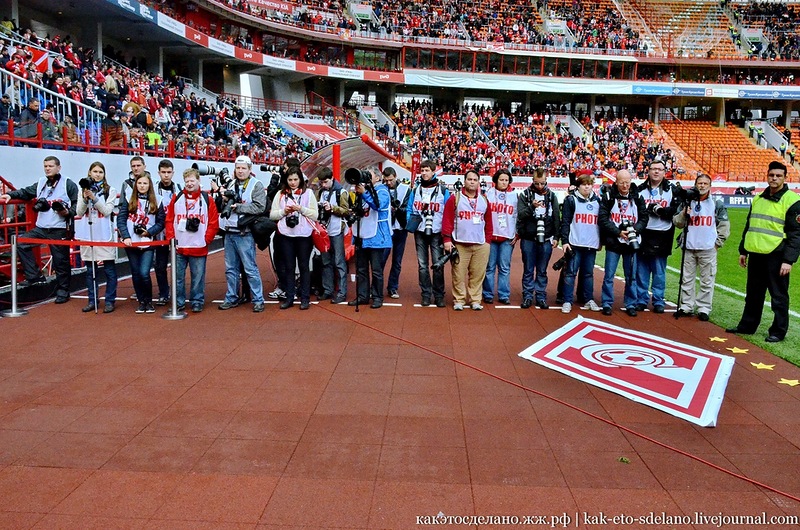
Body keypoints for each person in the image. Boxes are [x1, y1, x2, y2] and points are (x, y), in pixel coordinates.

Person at [727, 161, 800, 342]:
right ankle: (747, 326)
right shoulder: (758, 198)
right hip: (756, 254)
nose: (774, 178)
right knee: (753, 294)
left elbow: (796, 234)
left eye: (778, 176)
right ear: (767, 176)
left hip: (777, 255)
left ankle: (777, 331)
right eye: (771, 175)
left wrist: (788, 260)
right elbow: (750, 225)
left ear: (785, 178)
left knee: (778, 297)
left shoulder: (792, 201)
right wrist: (743, 250)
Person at [0, 156, 78, 303]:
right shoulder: (41, 183)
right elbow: (25, 192)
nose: (47, 168)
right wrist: (10, 194)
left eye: (50, 166)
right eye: (45, 166)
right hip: (41, 228)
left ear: (58, 167)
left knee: (61, 262)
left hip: (59, 229)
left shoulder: (68, 184)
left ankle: (63, 291)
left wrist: (67, 212)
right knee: (21, 244)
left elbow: (77, 205)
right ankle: (34, 276)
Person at [673, 173, 730, 321]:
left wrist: (717, 244)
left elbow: (724, 226)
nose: (702, 186)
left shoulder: (716, 203)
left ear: (710, 186)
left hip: (708, 248)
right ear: (695, 184)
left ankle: (704, 308)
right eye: (700, 183)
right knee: (686, 279)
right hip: (689, 246)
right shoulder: (687, 201)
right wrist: (684, 214)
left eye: (705, 184)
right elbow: (677, 223)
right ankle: (686, 306)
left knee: (707, 280)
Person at [165, 167, 219, 313]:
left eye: (192, 180)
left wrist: (206, 239)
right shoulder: (177, 198)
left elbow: (214, 222)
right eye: (187, 181)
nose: (189, 183)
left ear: (198, 181)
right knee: (178, 277)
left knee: (198, 277)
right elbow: (169, 220)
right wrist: (171, 239)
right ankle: (179, 302)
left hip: (199, 245)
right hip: (180, 245)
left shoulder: (207, 199)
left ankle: (197, 300)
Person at [219, 155, 266, 312]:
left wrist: (237, 207)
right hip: (229, 232)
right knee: (230, 269)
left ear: (250, 169)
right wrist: (223, 199)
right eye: (238, 168)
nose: (240, 171)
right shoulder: (230, 184)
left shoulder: (256, 185)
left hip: (244, 233)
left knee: (250, 268)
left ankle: (258, 299)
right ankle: (231, 297)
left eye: (243, 168)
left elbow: (260, 207)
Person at [598, 169, 648, 316]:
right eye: (622, 182)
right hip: (614, 241)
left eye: (627, 182)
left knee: (631, 275)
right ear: (616, 182)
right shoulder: (608, 196)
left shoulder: (638, 196)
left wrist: (634, 230)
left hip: (632, 242)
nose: (625, 185)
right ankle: (607, 303)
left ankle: (631, 303)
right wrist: (618, 232)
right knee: (609, 275)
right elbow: (602, 219)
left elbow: (644, 218)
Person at [442, 170, 493, 310]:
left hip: (480, 244)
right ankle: (459, 299)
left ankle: (475, 300)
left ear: (478, 182)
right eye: (469, 179)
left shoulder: (484, 200)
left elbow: (489, 222)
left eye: (474, 180)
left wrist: (487, 241)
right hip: (460, 243)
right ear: (464, 181)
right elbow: (447, 220)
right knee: (458, 274)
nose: (472, 182)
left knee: (477, 274)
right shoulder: (455, 198)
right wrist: (447, 239)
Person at [270, 165, 318, 310]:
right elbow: (272, 215)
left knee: (303, 266)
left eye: (295, 179)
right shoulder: (280, 194)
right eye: (290, 179)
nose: (292, 182)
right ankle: (289, 297)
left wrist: (301, 209)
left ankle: (305, 298)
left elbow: (315, 215)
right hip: (286, 235)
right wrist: (284, 211)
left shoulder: (308, 193)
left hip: (303, 236)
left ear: (300, 179)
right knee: (288, 267)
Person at [635, 159, 680, 313]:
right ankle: (641, 299)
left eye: (659, 169)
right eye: (653, 168)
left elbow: (675, 211)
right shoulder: (640, 189)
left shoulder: (671, 190)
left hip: (663, 234)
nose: (656, 172)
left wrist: (660, 211)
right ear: (648, 171)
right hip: (644, 232)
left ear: (664, 172)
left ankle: (658, 300)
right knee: (641, 270)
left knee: (659, 271)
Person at [116, 172, 165, 313]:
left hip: (147, 242)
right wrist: (125, 236)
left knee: (144, 273)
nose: (142, 186)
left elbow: (161, 222)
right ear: (135, 185)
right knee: (136, 273)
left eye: (145, 183)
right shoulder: (128, 199)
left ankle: (149, 301)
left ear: (149, 185)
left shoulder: (158, 200)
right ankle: (141, 301)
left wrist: (149, 232)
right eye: (139, 183)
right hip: (131, 242)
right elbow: (121, 219)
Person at [74, 161, 118, 313]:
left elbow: (106, 211)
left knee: (109, 270)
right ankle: (92, 300)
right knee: (90, 271)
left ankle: (110, 300)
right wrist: (86, 199)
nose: (97, 174)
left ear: (104, 174)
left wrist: (95, 198)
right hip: (88, 233)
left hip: (104, 233)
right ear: (90, 173)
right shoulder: (82, 190)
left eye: (100, 172)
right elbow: (79, 212)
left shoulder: (110, 190)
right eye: (95, 171)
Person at [405, 159, 450, 307]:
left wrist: (446, 233)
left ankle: (439, 295)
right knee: (422, 265)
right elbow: (410, 208)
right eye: (422, 170)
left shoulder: (443, 190)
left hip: (437, 232)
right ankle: (425, 294)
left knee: (438, 264)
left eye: (427, 170)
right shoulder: (416, 190)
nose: (424, 173)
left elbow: (449, 212)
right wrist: (411, 222)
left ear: (433, 171)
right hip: (420, 231)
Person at [516, 167, 560, 309]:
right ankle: (528, 296)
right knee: (528, 269)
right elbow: (521, 215)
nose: (539, 186)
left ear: (546, 180)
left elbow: (556, 219)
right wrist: (531, 208)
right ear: (532, 181)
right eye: (536, 183)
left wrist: (556, 237)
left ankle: (541, 296)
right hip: (528, 238)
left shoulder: (552, 196)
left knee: (542, 269)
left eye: (542, 183)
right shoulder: (525, 195)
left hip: (546, 238)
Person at [348, 167, 392, 309]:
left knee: (376, 270)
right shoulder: (362, 190)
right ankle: (362, 296)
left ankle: (377, 297)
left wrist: (365, 193)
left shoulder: (383, 191)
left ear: (378, 178)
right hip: (362, 234)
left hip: (377, 236)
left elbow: (378, 205)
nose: (365, 177)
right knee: (361, 268)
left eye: (369, 175)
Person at [560, 172, 602, 313]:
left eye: (589, 185)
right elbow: (565, 222)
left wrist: (601, 241)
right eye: (584, 185)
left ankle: (588, 298)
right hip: (575, 243)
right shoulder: (571, 200)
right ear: (578, 186)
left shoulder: (598, 201)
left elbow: (600, 223)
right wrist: (565, 241)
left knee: (588, 273)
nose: (586, 187)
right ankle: (567, 300)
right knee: (570, 273)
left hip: (591, 244)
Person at [482, 168, 518, 305]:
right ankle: (488, 294)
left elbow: (517, 216)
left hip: (507, 237)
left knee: (504, 267)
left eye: (506, 180)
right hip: (491, 237)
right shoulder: (488, 194)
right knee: (489, 267)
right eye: (501, 180)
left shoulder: (514, 196)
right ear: (496, 180)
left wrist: (517, 233)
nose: (503, 182)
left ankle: (504, 294)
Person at [315, 167, 349, 304]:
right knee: (325, 262)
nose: (323, 185)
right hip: (324, 231)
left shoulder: (341, 192)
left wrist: (333, 208)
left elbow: (347, 211)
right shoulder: (320, 192)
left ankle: (342, 292)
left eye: (325, 182)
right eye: (321, 183)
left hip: (336, 230)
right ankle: (328, 290)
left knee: (339, 261)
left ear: (332, 179)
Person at [154, 159, 182, 306]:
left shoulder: (178, 188)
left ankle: (178, 292)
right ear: (159, 173)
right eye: (163, 172)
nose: (166, 175)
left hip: (177, 233)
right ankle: (164, 293)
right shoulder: (153, 189)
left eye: (168, 172)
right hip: (159, 234)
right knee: (160, 266)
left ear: (173, 173)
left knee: (177, 266)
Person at [380, 166, 410, 300]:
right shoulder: (381, 189)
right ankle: (376, 287)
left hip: (400, 228)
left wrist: (397, 209)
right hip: (386, 229)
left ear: (395, 176)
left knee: (397, 261)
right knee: (381, 260)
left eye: (390, 180)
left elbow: (408, 207)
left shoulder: (405, 189)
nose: (388, 183)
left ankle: (393, 287)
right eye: (385, 181)